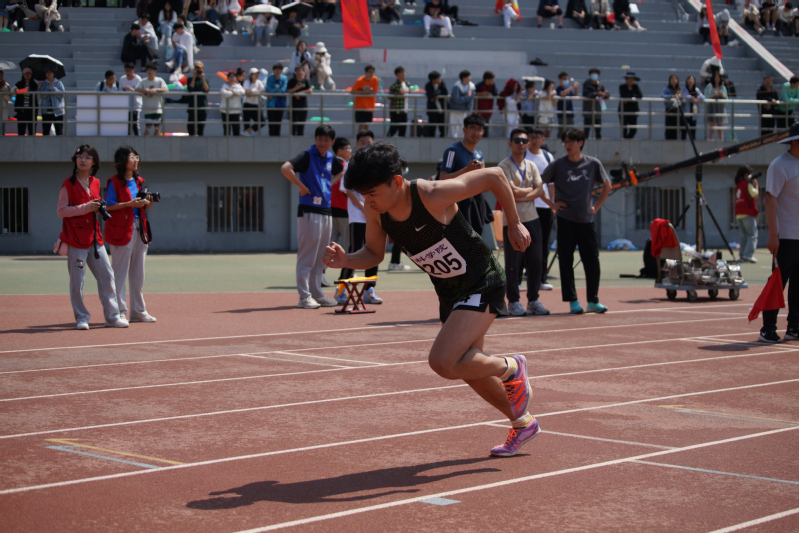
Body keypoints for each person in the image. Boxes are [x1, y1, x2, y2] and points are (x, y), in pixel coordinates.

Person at [323, 142, 540, 457]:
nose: (367, 201)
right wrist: (346, 260)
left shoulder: (430, 194)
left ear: (397, 182)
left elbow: (494, 176)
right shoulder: (377, 210)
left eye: (372, 193)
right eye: (363, 195)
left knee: (443, 361)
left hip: (481, 279)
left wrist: (515, 222)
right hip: (450, 291)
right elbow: (373, 253)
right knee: (468, 368)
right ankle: (522, 422)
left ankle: (511, 367)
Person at [57, 145, 128, 330]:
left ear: (94, 162)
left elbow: (93, 206)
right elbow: (61, 211)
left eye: (88, 157)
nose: (83, 159)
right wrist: (87, 207)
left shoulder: (95, 182)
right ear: (75, 159)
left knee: (107, 276)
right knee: (78, 281)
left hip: (95, 239)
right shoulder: (68, 184)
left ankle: (112, 317)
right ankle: (82, 317)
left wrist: (97, 208)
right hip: (76, 240)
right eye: (80, 156)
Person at [541, 128, 611, 314]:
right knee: (566, 261)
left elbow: (607, 186)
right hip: (565, 219)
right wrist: (551, 204)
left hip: (586, 220)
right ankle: (572, 301)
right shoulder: (558, 165)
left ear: (580, 143)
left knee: (592, 261)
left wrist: (596, 206)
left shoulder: (593, 163)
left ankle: (593, 301)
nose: (567, 145)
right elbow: (539, 184)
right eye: (565, 142)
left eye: (571, 141)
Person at [281, 125, 345, 309]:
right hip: (309, 210)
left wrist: (330, 183)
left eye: (326, 140)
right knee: (307, 255)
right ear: (315, 139)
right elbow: (285, 168)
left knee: (321, 256)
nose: (322, 143)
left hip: (325, 210)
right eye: (319, 139)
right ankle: (304, 297)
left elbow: (341, 170)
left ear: (332, 142)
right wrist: (301, 186)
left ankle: (317, 294)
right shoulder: (307, 155)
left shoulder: (331, 158)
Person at [498, 128, 550, 316]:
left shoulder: (531, 165)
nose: (521, 144)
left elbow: (540, 190)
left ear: (528, 144)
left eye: (524, 141)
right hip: (513, 220)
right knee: (513, 262)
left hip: (532, 219)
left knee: (536, 261)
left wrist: (522, 194)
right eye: (517, 140)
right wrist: (530, 191)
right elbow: (511, 191)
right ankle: (513, 302)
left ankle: (533, 300)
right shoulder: (504, 166)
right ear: (510, 143)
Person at [104, 146, 156, 324]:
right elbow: (108, 206)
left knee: (138, 273)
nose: (135, 160)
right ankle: (118, 312)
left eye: (136, 157)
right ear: (122, 160)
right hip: (122, 229)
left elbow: (142, 207)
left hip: (140, 228)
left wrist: (147, 203)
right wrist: (129, 204)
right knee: (119, 273)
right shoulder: (114, 182)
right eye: (131, 157)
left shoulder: (139, 181)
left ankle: (138, 311)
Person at [759, 121, 799, 344]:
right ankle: (768, 328)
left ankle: (794, 326)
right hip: (786, 237)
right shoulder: (780, 165)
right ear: (796, 142)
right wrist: (773, 234)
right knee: (777, 283)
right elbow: (770, 198)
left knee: (798, 286)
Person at [338, 131, 385, 304]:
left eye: (369, 142)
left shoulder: (377, 165)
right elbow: (348, 190)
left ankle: (369, 290)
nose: (366, 145)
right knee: (355, 251)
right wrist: (364, 207)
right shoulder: (351, 165)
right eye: (363, 142)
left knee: (374, 251)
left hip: (375, 216)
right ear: (357, 144)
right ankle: (341, 289)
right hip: (358, 217)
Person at [440, 114, 492, 237]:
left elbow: (485, 188)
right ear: (464, 129)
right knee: (458, 241)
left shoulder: (480, 155)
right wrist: (466, 170)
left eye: (479, 129)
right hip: (457, 204)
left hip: (476, 204)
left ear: (483, 132)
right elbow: (442, 178)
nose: (476, 132)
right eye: (472, 128)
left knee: (476, 239)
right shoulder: (452, 150)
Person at [525, 125, 556, 291]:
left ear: (543, 139)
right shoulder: (523, 154)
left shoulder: (547, 156)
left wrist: (552, 204)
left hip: (544, 206)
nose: (535, 140)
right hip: (526, 205)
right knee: (524, 242)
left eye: (538, 137)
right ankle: (519, 278)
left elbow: (551, 183)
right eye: (532, 137)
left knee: (543, 243)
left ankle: (541, 279)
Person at [329, 136, 351, 286]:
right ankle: (346, 275)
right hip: (344, 210)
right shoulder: (344, 167)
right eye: (348, 148)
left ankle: (320, 273)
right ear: (340, 150)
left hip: (330, 210)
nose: (350, 151)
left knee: (329, 245)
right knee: (349, 246)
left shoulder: (328, 165)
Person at [733, 165, 760, 263]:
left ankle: (742, 256)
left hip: (738, 213)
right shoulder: (747, 184)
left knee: (744, 236)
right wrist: (756, 185)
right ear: (746, 174)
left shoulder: (739, 184)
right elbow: (755, 194)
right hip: (747, 212)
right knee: (752, 235)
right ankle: (748, 255)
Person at [136, 62, 168, 136]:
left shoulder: (159, 80)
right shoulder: (143, 81)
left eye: (151, 70)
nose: (149, 72)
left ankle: (157, 142)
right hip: (147, 109)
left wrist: (156, 89)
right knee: (148, 127)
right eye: (148, 70)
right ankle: (145, 141)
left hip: (157, 108)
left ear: (155, 71)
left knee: (157, 127)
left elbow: (166, 89)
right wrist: (145, 90)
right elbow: (137, 89)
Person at [351, 64, 379, 132]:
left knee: (366, 126)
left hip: (369, 107)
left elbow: (375, 91)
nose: (371, 74)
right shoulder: (360, 80)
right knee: (361, 127)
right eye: (369, 72)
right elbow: (353, 91)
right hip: (360, 107)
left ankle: (366, 139)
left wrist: (368, 91)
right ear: (365, 72)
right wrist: (364, 92)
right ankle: (359, 138)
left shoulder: (375, 79)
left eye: (372, 72)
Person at [582, 68, 608, 140]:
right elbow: (586, 94)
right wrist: (597, 93)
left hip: (597, 111)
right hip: (588, 111)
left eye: (596, 74)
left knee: (598, 131)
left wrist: (604, 95)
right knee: (586, 130)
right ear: (590, 75)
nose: (594, 75)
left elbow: (607, 93)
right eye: (593, 74)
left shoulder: (601, 84)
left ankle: (598, 144)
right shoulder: (586, 84)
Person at [38, 66, 65, 136]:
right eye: (47, 72)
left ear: (53, 73)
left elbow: (61, 95)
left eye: (50, 72)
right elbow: (42, 95)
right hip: (46, 111)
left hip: (57, 111)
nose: (49, 74)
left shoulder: (58, 83)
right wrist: (48, 87)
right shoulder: (43, 83)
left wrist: (53, 88)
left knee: (59, 132)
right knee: (45, 132)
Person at [287, 64, 312, 136]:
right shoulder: (292, 81)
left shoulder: (306, 81)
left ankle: (300, 138)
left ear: (304, 72)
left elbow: (310, 90)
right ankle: (292, 138)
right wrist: (296, 88)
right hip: (294, 106)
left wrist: (300, 92)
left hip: (303, 106)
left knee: (301, 125)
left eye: (300, 71)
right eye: (297, 71)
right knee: (294, 124)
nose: (299, 73)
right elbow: (288, 91)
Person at [185, 61, 209, 136]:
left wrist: (203, 78)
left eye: (199, 68)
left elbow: (206, 89)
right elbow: (190, 89)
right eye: (196, 68)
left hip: (202, 107)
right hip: (193, 106)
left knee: (201, 129)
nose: (198, 70)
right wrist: (194, 77)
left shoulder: (205, 80)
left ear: (202, 69)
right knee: (191, 127)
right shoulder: (190, 79)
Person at [449, 70, 475, 138]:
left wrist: (466, 99)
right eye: (468, 76)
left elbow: (471, 98)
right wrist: (467, 97)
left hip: (463, 110)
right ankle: (453, 139)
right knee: (453, 125)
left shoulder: (471, 86)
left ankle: (461, 139)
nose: (470, 78)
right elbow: (457, 99)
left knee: (462, 125)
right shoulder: (456, 86)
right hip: (455, 109)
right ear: (464, 77)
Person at [704, 70, 728, 141]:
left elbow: (726, 100)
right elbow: (706, 97)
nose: (717, 78)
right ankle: (710, 144)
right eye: (716, 77)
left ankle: (721, 145)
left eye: (718, 77)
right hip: (712, 109)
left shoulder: (723, 87)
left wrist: (722, 95)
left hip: (720, 109)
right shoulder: (709, 86)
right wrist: (714, 95)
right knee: (712, 129)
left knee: (720, 130)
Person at [265, 63, 288, 137]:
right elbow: (268, 89)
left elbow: (284, 90)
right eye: (276, 69)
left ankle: (278, 140)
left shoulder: (284, 78)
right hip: (271, 105)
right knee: (271, 124)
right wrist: (278, 88)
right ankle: (271, 140)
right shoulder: (270, 78)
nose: (278, 71)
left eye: (279, 69)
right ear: (274, 70)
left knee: (278, 124)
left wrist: (273, 91)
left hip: (280, 104)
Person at [618, 71, 642, 139]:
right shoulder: (622, 87)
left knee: (633, 129)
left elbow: (640, 95)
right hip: (624, 110)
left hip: (633, 110)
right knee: (624, 128)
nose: (631, 81)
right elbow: (623, 95)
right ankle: (624, 140)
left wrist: (632, 97)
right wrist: (632, 96)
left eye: (632, 79)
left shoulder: (635, 87)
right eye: (629, 79)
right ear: (626, 80)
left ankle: (628, 139)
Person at [120, 63, 142, 136]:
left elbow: (140, 93)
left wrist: (131, 89)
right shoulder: (122, 79)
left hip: (135, 104)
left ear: (133, 70)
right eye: (126, 71)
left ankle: (138, 138)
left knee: (135, 124)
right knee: (127, 125)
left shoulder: (138, 79)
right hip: (126, 105)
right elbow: (119, 91)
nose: (127, 73)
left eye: (129, 71)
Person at [220, 70, 244, 136]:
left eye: (233, 77)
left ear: (236, 78)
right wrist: (233, 93)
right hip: (226, 111)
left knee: (236, 130)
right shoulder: (224, 85)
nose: (232, 78)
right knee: (226, 131)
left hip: (235, 111)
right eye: (230, 77)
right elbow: (224, 93)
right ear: (228, 78)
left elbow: (242, 92)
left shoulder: (238, 86)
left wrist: (232, 90)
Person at [13, 68, 37, 136]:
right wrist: (15, 89)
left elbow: (38, 96)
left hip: (31, 111)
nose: (28, 75)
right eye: (26, 73)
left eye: (29, 73)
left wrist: (39, 87)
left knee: (32, 131)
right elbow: (13, 89)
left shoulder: (34, 85)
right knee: (21, 130)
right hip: (22, 111)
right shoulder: (19, 84)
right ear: (23, 75)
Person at [388, 66, 410, 137]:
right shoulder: (394, 85)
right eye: (401, 72)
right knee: (393, 128)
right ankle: (387, 140)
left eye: (404, 72)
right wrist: (397, 94)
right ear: (397, 74)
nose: (403, 74)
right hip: (396, 110)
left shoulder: (407, 83)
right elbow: (389, 96)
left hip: (404, 109)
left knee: (403, 129)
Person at [425, 70, 448, 138]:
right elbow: (430, 95)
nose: (440, 79)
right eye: (438, 78)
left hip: (442, 109)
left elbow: (445, 92)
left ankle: (443, 139)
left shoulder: (442, 83)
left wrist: (435, 94)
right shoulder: (428, 85)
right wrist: (438, 93)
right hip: (432, 110)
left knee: (443, 128)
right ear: (433, 80)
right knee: (432, 128)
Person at [242, 67, 265, 137]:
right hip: (247, 104)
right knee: (246, 122)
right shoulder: (247, 82)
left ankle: (248, 131)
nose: (257, 75)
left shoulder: (259, 82)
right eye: (255, 74)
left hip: (256, 104)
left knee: (262, 121)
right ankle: (246, 133)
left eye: (258, 74)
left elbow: (263, 91)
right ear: (251, 75)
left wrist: (252, 92)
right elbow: (246, 92)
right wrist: (256, 92)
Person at [681, 75, 704, 141]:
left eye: (692, 79)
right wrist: (692, 98)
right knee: (684, 130)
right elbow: (685, 96)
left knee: (693, 131)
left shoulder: (696, 89)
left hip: (694, 113)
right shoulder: (684, 89)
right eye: (689, 79)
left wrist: (698, 98)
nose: (690, 81)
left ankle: (693, 142)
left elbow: (703, 97)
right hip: (686, 113)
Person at [555, 71, 578, 137]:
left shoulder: (568, 88)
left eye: (567, 79)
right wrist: (572, 87)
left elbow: (574, 96)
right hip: (562, 113)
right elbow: (562, 94)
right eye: (564, 79)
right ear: (560, 80)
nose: (566, 80)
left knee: (570, 130)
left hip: (570, 112)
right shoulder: (559, 88)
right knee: (562, 130)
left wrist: (576, 88)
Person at [474, 72, 497, 137]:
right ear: (487, 79)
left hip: (488, 111)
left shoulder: (493, 86)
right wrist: (482, 93)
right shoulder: (479, 85)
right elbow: (474, 93)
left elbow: (495, 93)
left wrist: (489, 94)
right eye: (492, 79)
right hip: (479, 111)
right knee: (478, 126)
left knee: (486, 128)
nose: (493, 80)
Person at [662, 74, 682, 140]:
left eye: (675, 79)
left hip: (677, 110)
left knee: (677, 127)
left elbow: (682, 98)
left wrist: (681, 96)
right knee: (669, 127)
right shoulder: (667, 89)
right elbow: (663, 95)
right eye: (672, 79)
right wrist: (671, 96)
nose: (674, 80)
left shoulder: (679, 89)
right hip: (669, 110)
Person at [0, 70, 12, 136]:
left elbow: (9, 98)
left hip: (3, 108)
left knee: (3, 126)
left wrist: (2, 93)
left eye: (1, 75)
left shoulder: (6, 85)